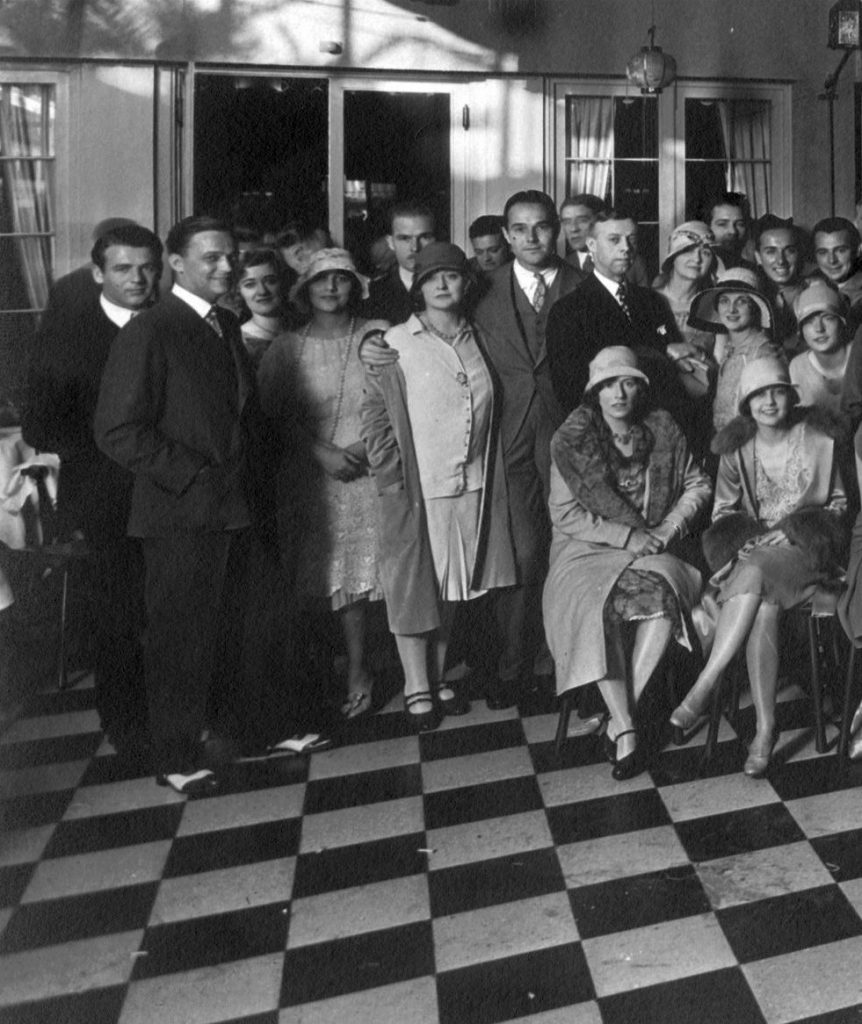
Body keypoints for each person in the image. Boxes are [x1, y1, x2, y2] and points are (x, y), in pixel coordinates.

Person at [95, 215, 323, 797]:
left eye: (231, 257)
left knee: (253, 623)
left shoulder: (222, 322)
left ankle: (264, 730)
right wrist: (194, 476)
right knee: (180, 639)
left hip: (237, 506)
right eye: (212, 258)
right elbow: (117, 430)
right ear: (176, 264)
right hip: (182, 514)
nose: (227, 267)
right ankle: (175, 756)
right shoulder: (152, 329)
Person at [361, 190, 583, 709]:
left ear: (556, 229)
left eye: (541, 226)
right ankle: (500, 669)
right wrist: (371, 339)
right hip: (485, 454)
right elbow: (399, 344)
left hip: (546, 446)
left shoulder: (576, 288)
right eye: (519, 228)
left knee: (550, 557)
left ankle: (567, 667)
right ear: (506, 236)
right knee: (506, 560)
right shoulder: (473, 295)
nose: (531, 237)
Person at [360, 242, 516, 731]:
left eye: (451, 276)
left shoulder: (478, 336)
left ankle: (437, 672)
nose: (443, 285)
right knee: (414, 586)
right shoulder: (395, 342)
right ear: (419, 287)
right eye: (432, 278)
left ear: (466, 283)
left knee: (453, 587)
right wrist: (391, 479)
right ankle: (416, 685)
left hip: (472, 483)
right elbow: (375, 418)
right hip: (418, 485)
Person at [22, 223, 163, 761]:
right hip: (107, 496)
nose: (137, 279)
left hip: (176, 493)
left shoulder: (176, 326)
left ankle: (184, 711)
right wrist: (115, 447)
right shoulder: (70, 339)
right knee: (120, 614)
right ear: (99, 273)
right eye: (123, 268)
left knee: (176, 606)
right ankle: (127, 725)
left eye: (147, 267)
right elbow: (39, 426)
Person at [671, 357, 847, 777]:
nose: (768, 402)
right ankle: (766, 730)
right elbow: (723, 514)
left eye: (777, 391)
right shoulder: (737, 449)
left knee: (755, 572)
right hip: (757, 557)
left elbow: (840, 505)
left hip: (807, 554)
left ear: (790, 395)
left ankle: (705, 684)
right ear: (746, 405)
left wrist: (795, 531)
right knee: (763, 603)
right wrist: (750, 539)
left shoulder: (821, 437)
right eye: (758, 395)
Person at [544, 347, 711, 779]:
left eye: (628, 382)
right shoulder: (573, 440)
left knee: (661, 597)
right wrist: (626, 536)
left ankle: (622, 720)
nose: (618, 393)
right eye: (607, 385)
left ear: (641, 388)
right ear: (594, 392)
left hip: (654, 547)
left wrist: (666, 530)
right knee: (596, 607)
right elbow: (566, 514)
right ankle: (627, 725)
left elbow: (698, 484)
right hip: (587, 550)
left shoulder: (663, 429)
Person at [258, 249, 388, 720]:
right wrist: (322, 453)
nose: (331, 288)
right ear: (304, 289)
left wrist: (365, 449)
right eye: (321, 280)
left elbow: (401, 400)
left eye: (341, 279)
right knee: (316, 580)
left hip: (369, 472)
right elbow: (270, 416)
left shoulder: (378, 333)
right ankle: (316, 676)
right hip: (308, 478)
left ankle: (359, 671)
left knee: (357, 584)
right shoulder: (286, 347)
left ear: (356, 286)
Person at [546, 208, 681, 417]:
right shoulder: (568, 309)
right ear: (592, 245)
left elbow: (671, 373)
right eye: (614, 240)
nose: (626, 248)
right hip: (604, 427)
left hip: (659, 421)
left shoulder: (652, 301)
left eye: (631, 239)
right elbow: (569, 390)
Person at [688, 266, 779, 434]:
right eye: (724, 301)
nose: (731, 309)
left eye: (741, 301)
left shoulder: (763, 353)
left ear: (755, 307)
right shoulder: (729, 348)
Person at [362, 201, 437, 324]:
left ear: (436, 240)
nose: (415, 248)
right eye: (405, 238)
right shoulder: (373, 292)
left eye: (424, 237)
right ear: (390, 242)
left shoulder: (454, 288)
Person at [789, 278, 851, 415]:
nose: (819, 328)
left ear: (842, 322)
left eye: (828, 318)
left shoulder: (858, 353)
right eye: (809, 321)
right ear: (801, 330)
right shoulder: (798, 366)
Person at [560, 194, 649, 285]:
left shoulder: (632, 263)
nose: (573, 229)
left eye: (582, 220)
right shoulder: (563, 266)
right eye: (567, 222)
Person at [753, 214, 805, 354]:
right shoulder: (752, 296)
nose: (781, 260)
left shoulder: (814, 290)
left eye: (789, 251)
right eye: (771, 251)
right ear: (758, 257)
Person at [235, 247, 294, 368]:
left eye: (270, 281)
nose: (262, 291)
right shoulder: (238, 344)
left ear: (283, 282)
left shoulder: (302, 328)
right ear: (239, 291)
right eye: (250, 285)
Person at [811, 216, 862, 323]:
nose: (832, 260)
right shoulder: (808, 286)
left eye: (841, 250)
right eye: (823, 252)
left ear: (858, 250)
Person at [699, 191, 755, 270]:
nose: (733, 231)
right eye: (722, 224)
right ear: (706, 227)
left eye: (740, 224)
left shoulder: (752, 270)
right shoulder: (695, 269)